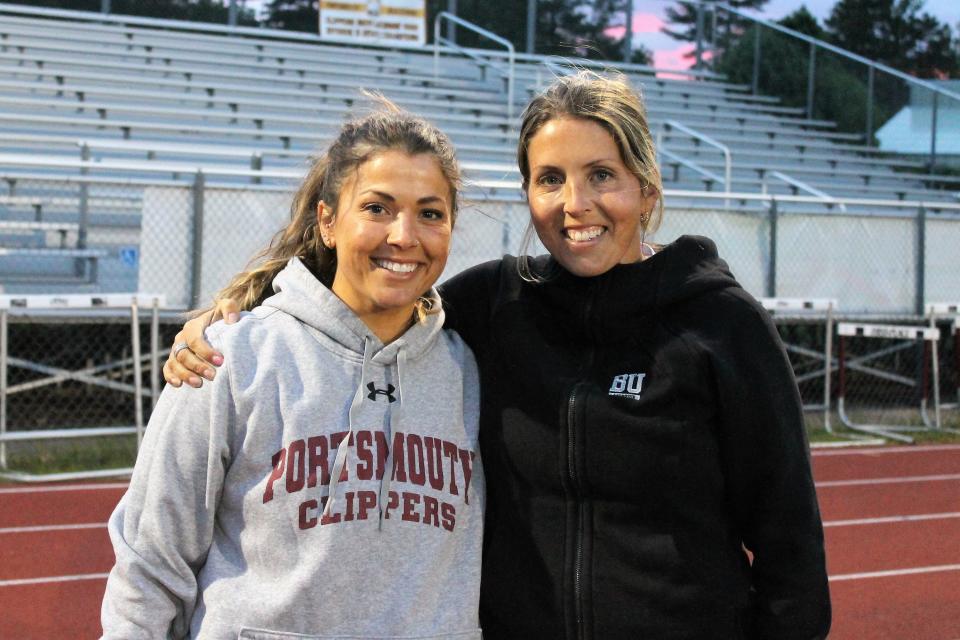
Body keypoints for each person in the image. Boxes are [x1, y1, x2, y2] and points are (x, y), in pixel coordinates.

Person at [164, 71, 831, 639]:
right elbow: (370, 296)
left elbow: (789, 544)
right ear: (529, 195)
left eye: (602, 175)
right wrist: (230, 320)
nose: (577, 204)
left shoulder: (720, 323)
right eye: (550, 179)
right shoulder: (494, 304)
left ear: (647, 190)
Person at [101, 107, 485, 639]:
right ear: (328, 221)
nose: (404, 236)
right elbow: (150, 561)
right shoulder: (229, 360)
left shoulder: (473, 366)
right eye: (377, 208)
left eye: (430, 213)